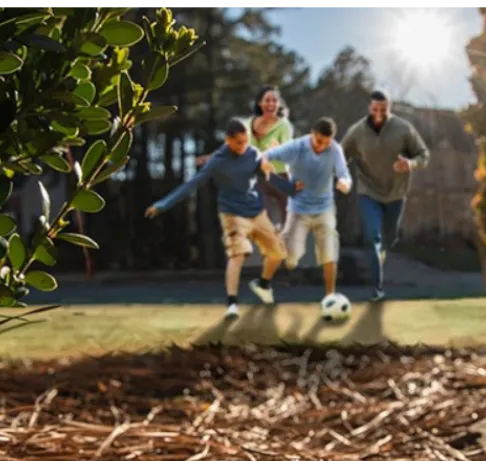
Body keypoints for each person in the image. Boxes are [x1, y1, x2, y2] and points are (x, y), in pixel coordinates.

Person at [145, 119, 295, 320]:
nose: (243, 147)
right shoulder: (217, 161)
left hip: (257, 212)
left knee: (278, 253)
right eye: (239, 143)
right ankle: (232, 304)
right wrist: (163, 204)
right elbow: (192, 184)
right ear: (228, 140)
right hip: (232, 214)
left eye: (246, 141)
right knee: (238, 255)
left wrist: (292, 188)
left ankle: (263, 284)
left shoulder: (253, 154)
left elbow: (270, 178)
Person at [253, 117, 352, 317]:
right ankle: (262, 284)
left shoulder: (335, 150)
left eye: (326, 142)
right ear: (311, 135)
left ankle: (329, 298)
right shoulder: (296, 147)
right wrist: (265, 164)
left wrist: (344, 183)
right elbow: (264, 157)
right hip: (299, 210)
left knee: (329, 253)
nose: (322, 146)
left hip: (325, 209)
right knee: (289, 257)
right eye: (318, 141)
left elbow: (344, 175)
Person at [341, 90, 430, 301]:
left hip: (396, 194)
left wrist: (410, 164)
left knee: (388, 239)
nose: (379, 114)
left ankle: (383, 249)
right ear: (369, 109)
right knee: (373, 237)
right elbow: (340, 155)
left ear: (389, 108)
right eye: (375, 109)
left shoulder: (403, 128)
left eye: (383, 109)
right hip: (368, 192)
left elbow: (423, 155)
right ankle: (377, 289)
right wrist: (339, 175)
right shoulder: (357, 132)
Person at [197, 86, 295, 227]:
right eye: (267, 100)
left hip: (280, 177)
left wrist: (278, 150)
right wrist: (210, 158)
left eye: (275, 100)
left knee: (289, 218)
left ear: (279, 104)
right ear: (260, 103)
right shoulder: (246, 125)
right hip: (259, 179)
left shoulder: (283, 126)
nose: (271, 104)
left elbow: (288, 150)